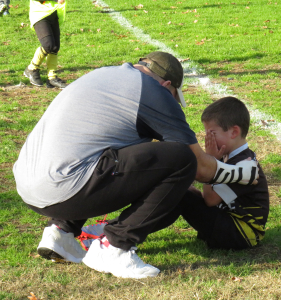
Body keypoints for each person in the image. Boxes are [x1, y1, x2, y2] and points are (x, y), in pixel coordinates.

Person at [13, 52, 258, 279]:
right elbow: (199, 168)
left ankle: (60, 232)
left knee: (107, 148)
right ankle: (116, 246)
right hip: (65, 187)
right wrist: (241, 172)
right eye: (174, 97)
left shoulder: (104, 74)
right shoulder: (155, 93)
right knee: (181, 158)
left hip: (29, 186)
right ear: (167, 86)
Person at [156, 97, 269, 250]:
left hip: (241, 234)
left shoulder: (244, 165)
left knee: (182, 195)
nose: (207, 138)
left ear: (234, 132)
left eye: (212, 133)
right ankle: (130, 228)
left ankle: (130, 232)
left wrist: (211, 162)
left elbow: (210, 200)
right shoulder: (230, 156)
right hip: (230, 223)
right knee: (182, 189)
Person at [23, 0, 67, 88]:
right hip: (40, 14)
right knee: (48, 45)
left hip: (54, 13)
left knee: (55, 47)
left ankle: (52, 78)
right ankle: (32, 68)